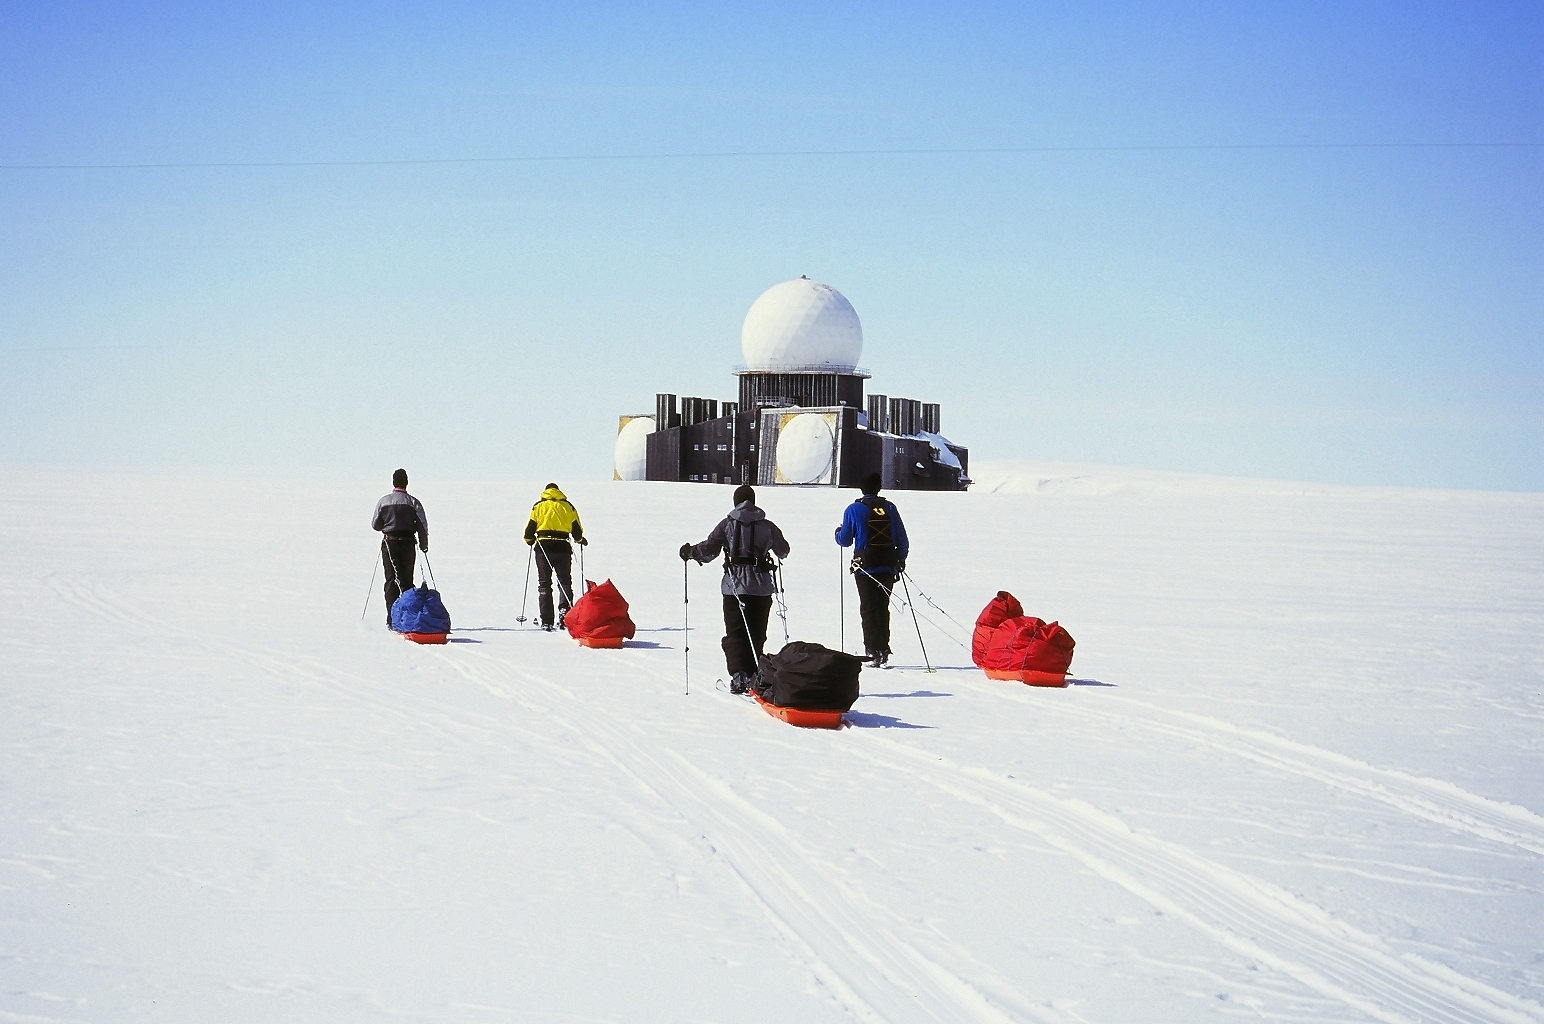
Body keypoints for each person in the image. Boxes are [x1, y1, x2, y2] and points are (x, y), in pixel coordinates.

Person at [681, 485, 790, 693]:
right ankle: (754, 674)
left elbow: (709, 549)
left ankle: (739, 675)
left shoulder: (727, 525)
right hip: (762, 588)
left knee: (735, 633)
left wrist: (690, 553)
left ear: (735, 502)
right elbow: (783, 550)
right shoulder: (767, 526)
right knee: (757, 632)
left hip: (734, 588)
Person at [835, 472, 909, 667]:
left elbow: (845, 540)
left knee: (868, 608)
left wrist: (837, 532)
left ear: (861, 488)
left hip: (865, 568)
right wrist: (900, 560)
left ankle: (872, 650)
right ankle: (883, 649)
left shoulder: (853, 509)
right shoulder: (890, 508)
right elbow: (902, 539)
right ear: (878, 487)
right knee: (882, 607)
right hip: (887, 566)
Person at [371, 468, 429, 629]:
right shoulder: (414, 502)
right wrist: (424, 545)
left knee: (391, 580)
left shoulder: (384, 501)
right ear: (406, 482)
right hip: (408, 543)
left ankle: (392, 619)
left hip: (390, 543)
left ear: (393, 482)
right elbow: (422, 526)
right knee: (407, 580)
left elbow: (375, 525)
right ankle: (407, 618)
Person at [524, 482, 586, 631]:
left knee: (544, 584)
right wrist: (580, 540)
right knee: (565, 582)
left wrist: (530, 541)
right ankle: (565, 613)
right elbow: (577, 531)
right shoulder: (568, 506)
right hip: (563, 548)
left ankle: (546, 620)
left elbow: (528, 532)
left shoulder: (538, 506)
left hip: (543, 548)